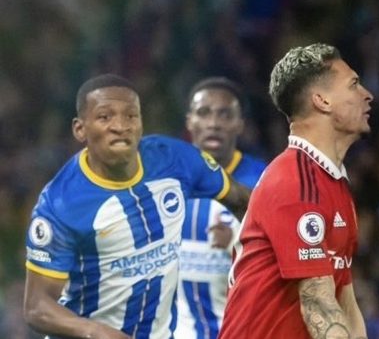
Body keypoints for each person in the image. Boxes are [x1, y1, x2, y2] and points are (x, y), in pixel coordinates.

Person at [23, 74, 251, 339]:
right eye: (105, 117)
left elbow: (242, 200)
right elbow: (37, 307)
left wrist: (251, 265)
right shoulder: (60, 205)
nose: (120, 126)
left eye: (131, 116)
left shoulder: (175, 159)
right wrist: (97, 332)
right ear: (80, 129)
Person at [218, 43, 370, 339]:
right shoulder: (294, 182)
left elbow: (345, 302)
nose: (367, 94)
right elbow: (318, 304)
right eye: (353, 85)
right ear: (322, 100)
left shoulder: (332, 182)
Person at [176, 77, 268, 339]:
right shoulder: (166, 180)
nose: (213, 123)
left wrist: (239, 241)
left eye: (224, 115)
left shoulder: (265, 180)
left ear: (240, 124)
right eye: (204, 113)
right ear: (189, 121)